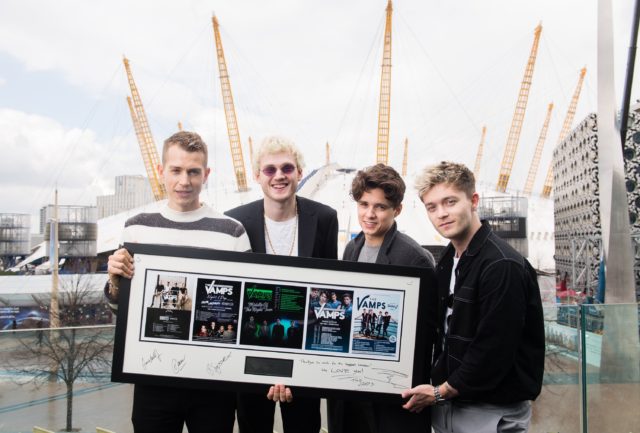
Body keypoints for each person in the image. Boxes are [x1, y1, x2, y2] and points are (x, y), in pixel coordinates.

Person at [104, 131, 251, 433]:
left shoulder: (232, 232)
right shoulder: (136, 228)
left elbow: (247, 310)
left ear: (206, 174)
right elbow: (121, 309)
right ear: (161, 171)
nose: (184, 181)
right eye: (176, 170)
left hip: (214, 382)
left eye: (193, 171)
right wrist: (115, 283)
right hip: (152, 379)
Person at [402, 161, 545, 433]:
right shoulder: (447, 260)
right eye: (432, 207)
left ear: (474, 200)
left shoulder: (502, 265)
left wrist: (440, 392)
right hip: (451, 407)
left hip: (490, 412)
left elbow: (493, 349)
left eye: (450, 202)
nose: (441, 213)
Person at [225, 135, 338, 433]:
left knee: (304, 427)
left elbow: (326, 295)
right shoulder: (236, 222)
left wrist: (298, 365)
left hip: (305, 356)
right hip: (250, 355)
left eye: (287, 168)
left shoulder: (324, 218)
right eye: (270, 169)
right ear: (257, 175)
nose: (279, 176)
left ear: (300, 173)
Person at [328, 163, 437, 433]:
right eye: (364, 204)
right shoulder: (352, 248)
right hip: (355, 382)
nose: (369, 214)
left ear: (396, 210)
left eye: (380, 207)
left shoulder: (415, 258)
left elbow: (427, 333)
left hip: (392, 388)